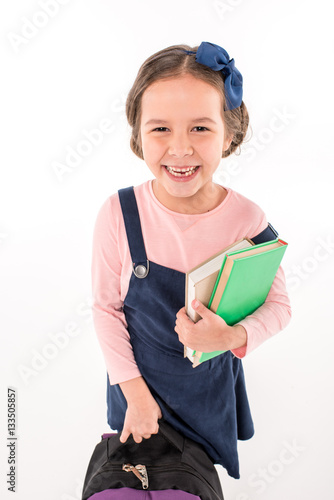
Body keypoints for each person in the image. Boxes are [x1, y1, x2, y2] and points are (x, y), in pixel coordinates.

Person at [91, 42, 292, 480]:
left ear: (230, 133)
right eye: (160, 129)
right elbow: (106, 310)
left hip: (207, 397)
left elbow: (280, 308)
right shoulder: (119, 213)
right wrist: (136, 396)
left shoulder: (247, 219)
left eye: (200, 129)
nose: (180, 150)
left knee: (195, 479)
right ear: (137, 134)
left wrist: (232, 336)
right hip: (138, 393)